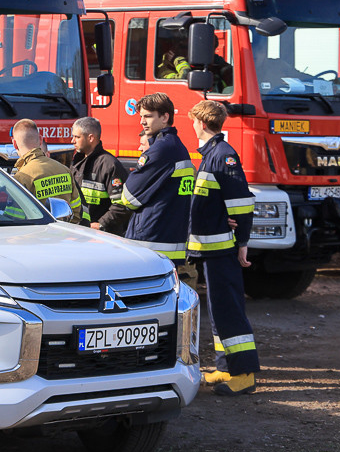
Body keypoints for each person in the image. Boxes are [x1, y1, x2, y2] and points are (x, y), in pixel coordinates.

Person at [187, 100, 259, 396]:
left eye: (193, 121)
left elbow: (241, 203)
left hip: (223, 249)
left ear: (202, 123)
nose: (192, 126)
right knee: (218, 309)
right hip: (211, 250)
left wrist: (242, 243)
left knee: (229, 310)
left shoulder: (223, 156)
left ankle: (243, 375)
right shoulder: (212, 154)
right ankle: (225, 367)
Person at [119, 92, 194, 263]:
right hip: (167, 240)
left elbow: (128, 198)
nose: (142, 121)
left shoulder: (162, 149)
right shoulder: (176, 146)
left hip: (152, 242)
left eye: (148, 116)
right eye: (141, 116)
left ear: (165, 117)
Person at [11, 119, 82, 223]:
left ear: (14, 144)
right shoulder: (65, 170)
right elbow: (76, 210)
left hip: (37, 237)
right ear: (40, 140)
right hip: (64, 234)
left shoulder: (21, 177)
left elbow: (14, 219)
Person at [70, 116, 130, 235]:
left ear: (91, 138)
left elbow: (122, 204)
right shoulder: (77, 162)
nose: (72, 141)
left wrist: (101, 224)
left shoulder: (109, 165)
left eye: (77, 137)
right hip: (81, 233)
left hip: (104, 235)